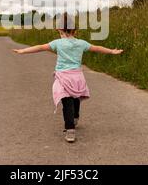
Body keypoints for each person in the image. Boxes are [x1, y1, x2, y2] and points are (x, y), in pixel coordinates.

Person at [12, 13, 123, 143]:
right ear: (75, 30)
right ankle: (75, 117)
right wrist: (111, 51)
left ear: (59, 30)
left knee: (67, 102)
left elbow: (40, 47)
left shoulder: (57, 43)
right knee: (76, 98)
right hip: (77, 76)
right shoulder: (81, 43)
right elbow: (97, 48)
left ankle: (70, 129)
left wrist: (23, 51)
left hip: (63, 77)